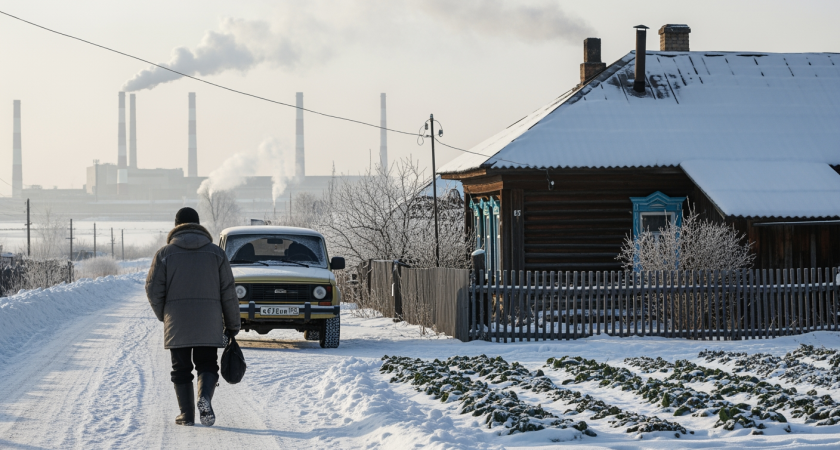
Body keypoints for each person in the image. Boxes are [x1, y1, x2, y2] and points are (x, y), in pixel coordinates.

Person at [145, 207, 240, 427]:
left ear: (176, 225)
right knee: (207, 364)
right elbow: (228, 291)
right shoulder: (217, 253)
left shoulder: (164, 254)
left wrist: (165, 315)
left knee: (181, 369)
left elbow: (152, 290)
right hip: (209, 322)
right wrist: (232, 324)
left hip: (177, 321)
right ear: (198, 225)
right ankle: (204, 397)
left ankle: (186, 415)